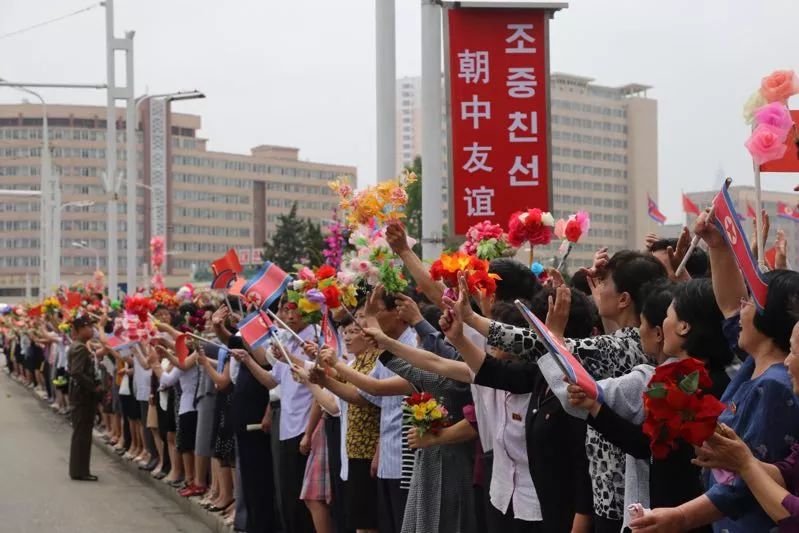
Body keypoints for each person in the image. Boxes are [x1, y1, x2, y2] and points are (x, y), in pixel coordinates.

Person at [630, 210, 799, 532]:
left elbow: (746, 481)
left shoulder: (776, 385)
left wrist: (681, 517)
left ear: (768, 320)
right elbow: (729, 306)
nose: (742, 307)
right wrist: (719, 245)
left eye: (750, 302)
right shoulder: (755, 364)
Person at [691, 313, 799, 531]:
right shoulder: (756, 368)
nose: (787, 361)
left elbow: (793, 516)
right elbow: (789, 471)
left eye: (795, 352)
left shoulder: (774, 385)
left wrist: (746, 464)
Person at [68, 314, 101, 481]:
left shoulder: (79, 346)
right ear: (80, 329)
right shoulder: (80, 347)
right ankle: (80, 471)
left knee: (82, 433)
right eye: (89, 327)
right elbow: (76, 372)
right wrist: (93, 387)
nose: (92, 330)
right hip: (82, 396)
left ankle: (79, 469)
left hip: (81, 395)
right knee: (82, 433)